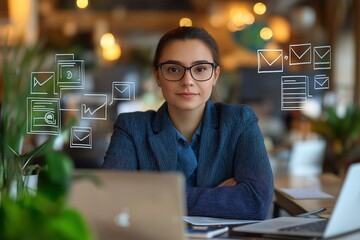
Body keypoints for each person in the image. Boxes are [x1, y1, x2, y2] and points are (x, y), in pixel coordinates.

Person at [102, 26, 274, 220]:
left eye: (200, 69)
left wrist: (152, 196)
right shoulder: (132, 128)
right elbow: (112, 196)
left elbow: (256, 202)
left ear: (215, 75)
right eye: (174, 69)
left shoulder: (240, 121)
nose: (187, 80)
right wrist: (217, 198)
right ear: (158, 76)